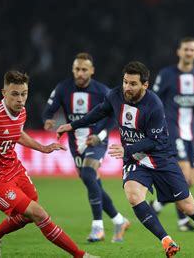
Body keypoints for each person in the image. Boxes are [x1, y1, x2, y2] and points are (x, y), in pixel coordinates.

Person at [57, 61, 194, 258]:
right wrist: (72, 125)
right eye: (125, 82)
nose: (127, 88)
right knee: (133, 195)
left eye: (132, 84)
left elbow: (153, 140)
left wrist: (127, 149)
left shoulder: (154, 104)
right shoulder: (115, 95)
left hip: (161, 158)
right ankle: (167, 241)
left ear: (145, 85)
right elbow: (99, 112)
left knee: (187, 206)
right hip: (135, 160)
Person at [0, 70, 97, 258]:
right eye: (15, 94)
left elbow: (17, 133)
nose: (20, 99)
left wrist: (42, 148)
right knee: (39, 213)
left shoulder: (22, 111)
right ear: (4, 93)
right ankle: (80, 255)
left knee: (28, 213)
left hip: (14, 169)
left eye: (24, 94)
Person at [42, 52, 130, 243]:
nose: (80, 73)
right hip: (75, 144)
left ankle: (98, 227)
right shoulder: (63, 88)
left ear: (92, 70)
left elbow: (114, 116)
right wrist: (47, 119)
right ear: (73, 70)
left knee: (90, 175)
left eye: (84, 69)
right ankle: (119, 220)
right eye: (77, 69)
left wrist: (101, 136)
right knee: (93, 183)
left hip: (97, 140)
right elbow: (48, 109)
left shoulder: (102, 91)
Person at [150, 36, 194, 232]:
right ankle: (183, 221)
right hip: (171, 130)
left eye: (192, 50)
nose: (189, 53)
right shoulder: (167, 74)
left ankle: (157, 205)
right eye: (186, 49)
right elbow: (153, 99)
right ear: (179, 51)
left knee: (191, 179)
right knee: (183, 174)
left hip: (190, 132)